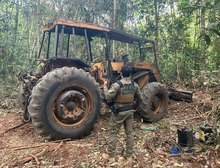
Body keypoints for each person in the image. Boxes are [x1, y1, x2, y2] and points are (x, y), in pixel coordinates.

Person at [102, 65, 142, 162]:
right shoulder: (135, 85)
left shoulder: (117, 85)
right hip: (130, 112)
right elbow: (140, 99)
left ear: (121, 74)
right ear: (130, 74)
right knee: (129, 133)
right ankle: (129, 156)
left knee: (113, 133)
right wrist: (134, 107)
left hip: (119, 112)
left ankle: (111, 156)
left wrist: (104, 87)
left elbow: (108, 97)